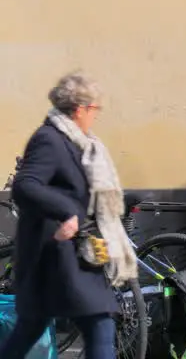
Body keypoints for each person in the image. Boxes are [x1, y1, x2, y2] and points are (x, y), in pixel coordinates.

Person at [0, 72, 138, 359]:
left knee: (36, 328)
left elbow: (83, 192)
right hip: (52, 255)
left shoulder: (81, 144)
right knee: (98, 323)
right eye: (94, 109)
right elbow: (25, 186)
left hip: (73, 255)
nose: (96, 116)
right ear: (79, 109)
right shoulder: (49, 140)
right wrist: (65, 213)